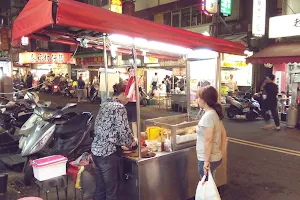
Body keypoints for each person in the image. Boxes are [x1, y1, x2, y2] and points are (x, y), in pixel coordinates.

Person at [92, 82, 137, 200]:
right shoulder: (119, 107)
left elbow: (104, 128)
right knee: (111, 191)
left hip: (96, 151)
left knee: (100, 188)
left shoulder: (105, 104)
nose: (128, 100)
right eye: (128, 97)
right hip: (107, 154)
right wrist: (132, 142)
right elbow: (124, 131)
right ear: (123, 94)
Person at [196, 86, 227, 181]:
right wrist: (221, 152)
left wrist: (206, 161)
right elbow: (224, 134)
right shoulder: (214, 113)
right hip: (215, 157)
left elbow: (208, 140)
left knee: (206, 187)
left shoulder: (208, 116)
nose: (197, 100)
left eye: (198, 97)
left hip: (208, 159)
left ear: (203, 100)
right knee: (211, 183)